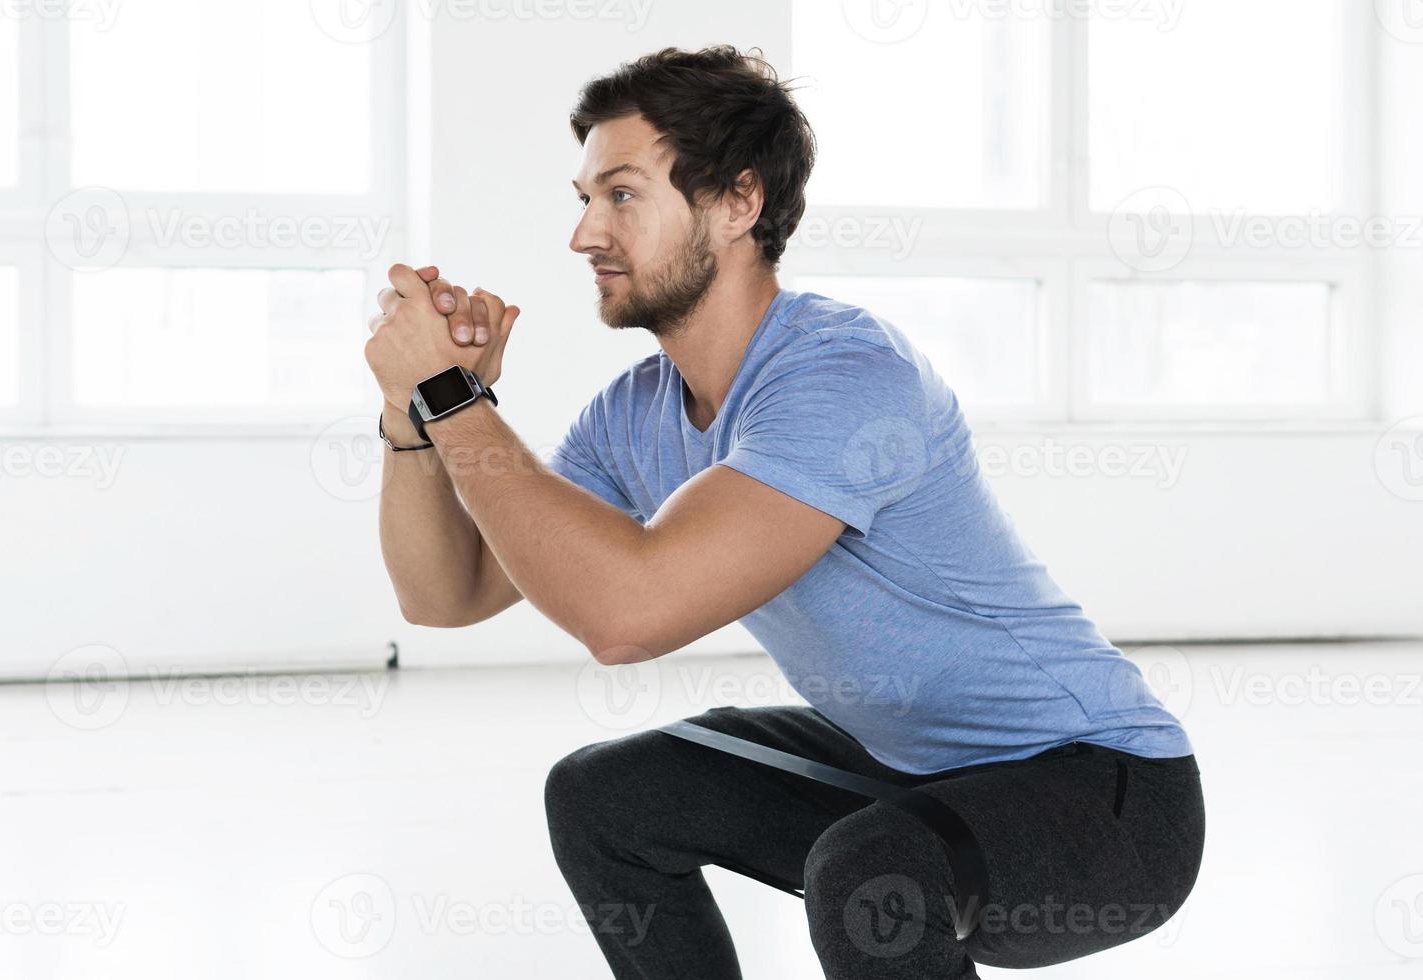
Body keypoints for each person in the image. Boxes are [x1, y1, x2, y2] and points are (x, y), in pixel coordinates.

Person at [363, 45, 1203, 980]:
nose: (585, 234)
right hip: (902, 767)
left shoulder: (843, 376)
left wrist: (455, 399)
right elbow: (448, 593)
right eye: (583, 199)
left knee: (874, 874)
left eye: (623, 195)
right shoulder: (636, 413)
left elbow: (626, 618)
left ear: (737, 202)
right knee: (607, 796)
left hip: (1103, 795)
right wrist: (415, 418)